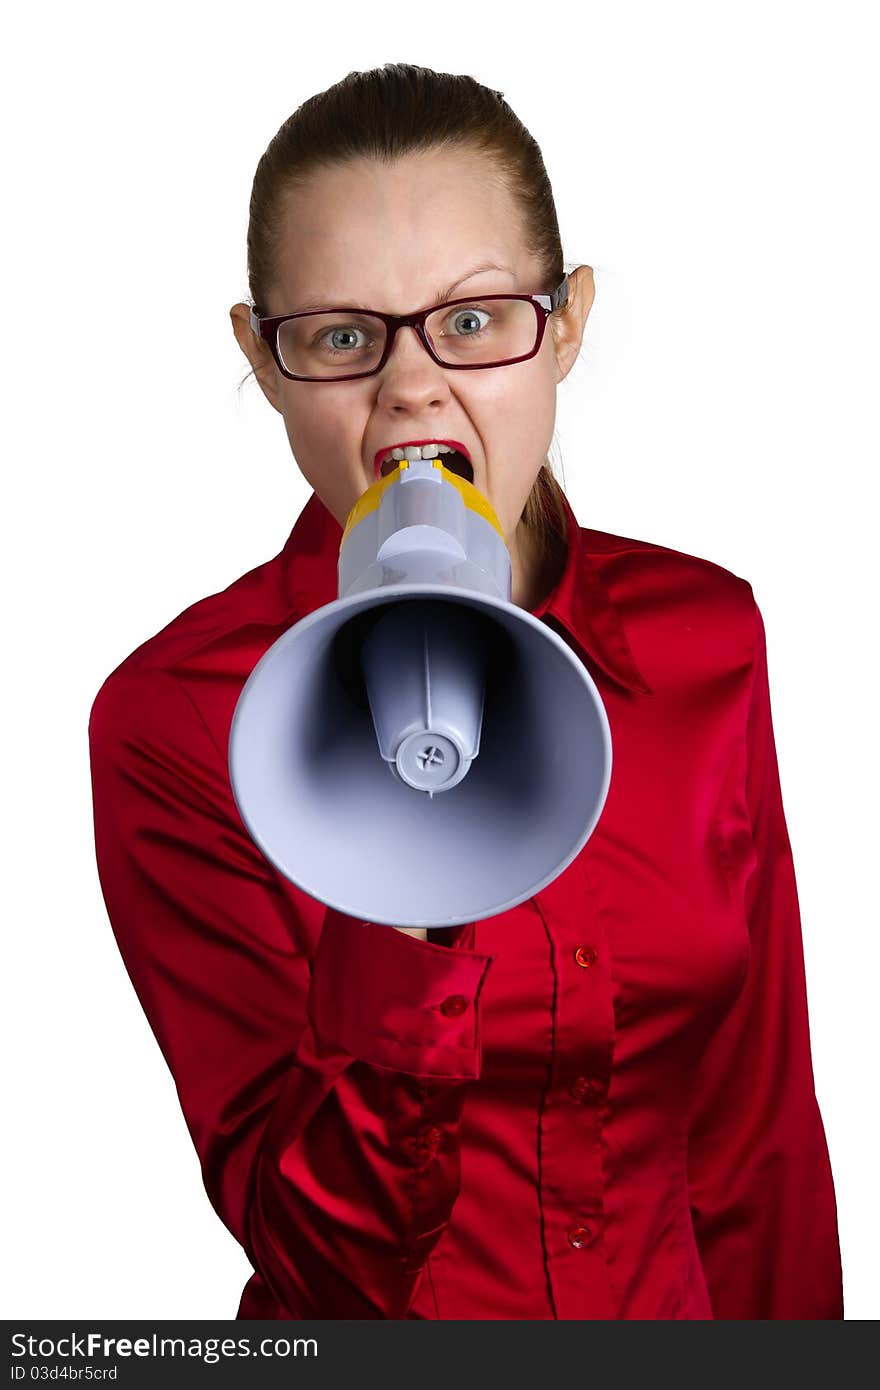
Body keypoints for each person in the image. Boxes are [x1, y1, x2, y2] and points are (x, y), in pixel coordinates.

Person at [87, 62, 844, 1320]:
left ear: (570, 320)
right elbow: (309, 1251)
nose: (411, 387)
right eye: (339, 336)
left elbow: (756, 1141)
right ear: (261, 361)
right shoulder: (175, 718)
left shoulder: (707, 637)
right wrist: (413, 893)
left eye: (475, 318)